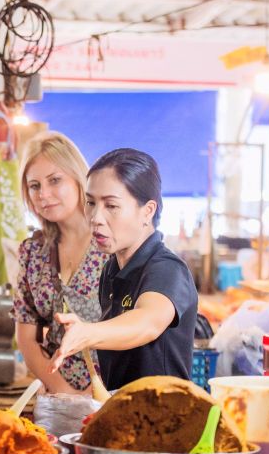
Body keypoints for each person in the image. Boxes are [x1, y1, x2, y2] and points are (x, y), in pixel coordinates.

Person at [51, 148, 198, 391]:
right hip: (123, 414)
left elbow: (147, 322)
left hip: (163, 420)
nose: (96, 217)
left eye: (111, 205)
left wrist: (87, 333)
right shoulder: (112, 270)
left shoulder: (167, 269)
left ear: (147, 211)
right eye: (90, 203)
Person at [12, 132, 106, 395]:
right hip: (55, 396)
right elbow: (26, 337)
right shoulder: (33, 251)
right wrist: (63, 391)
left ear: (79, 179)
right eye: (34, 186)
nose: (44, 194)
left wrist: (96, 392)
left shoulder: (112, 243)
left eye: (55, 180)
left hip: (114, 391)